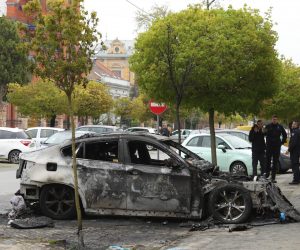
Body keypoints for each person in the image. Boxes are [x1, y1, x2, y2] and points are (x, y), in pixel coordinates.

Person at [264, 115, 287, 183]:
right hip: (269, 146)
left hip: (276, 146)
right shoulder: (268, 126)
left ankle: (273, 177)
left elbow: (284, 135)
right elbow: (263, 133)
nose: (274, 120)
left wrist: (282, 142)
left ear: (277, 120)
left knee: (275, 162)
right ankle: (267, 175)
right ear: (272, 119)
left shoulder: (280, 126)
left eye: (276, 119)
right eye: (273, 119)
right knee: (268, 161)